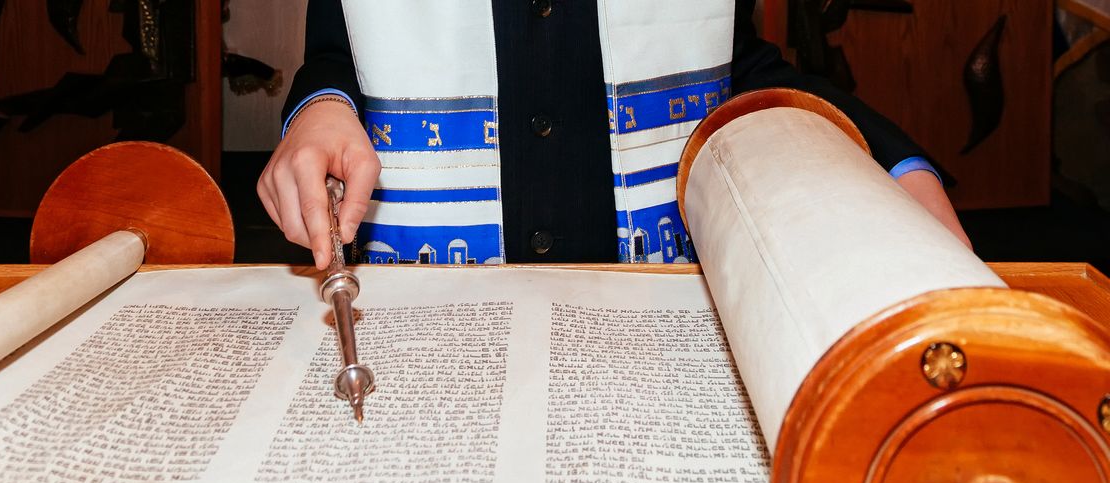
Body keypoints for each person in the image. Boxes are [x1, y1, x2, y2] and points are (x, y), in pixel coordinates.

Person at [259, 0, 970, 269]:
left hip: (644, 301)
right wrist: (320, 108)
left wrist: (893, 159)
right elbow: (339, 53)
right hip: (437, 305)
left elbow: (733, 56)